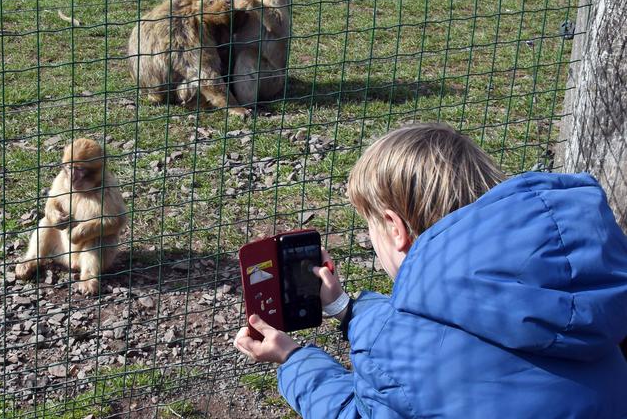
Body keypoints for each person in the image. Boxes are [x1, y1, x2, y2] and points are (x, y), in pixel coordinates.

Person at [234, 122, 627, 418]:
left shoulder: (399, 359)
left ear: (394, 228)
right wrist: (344, 307)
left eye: (370, 228)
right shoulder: (593, 286)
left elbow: (361, 404)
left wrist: (293, 360)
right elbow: (445, 327)